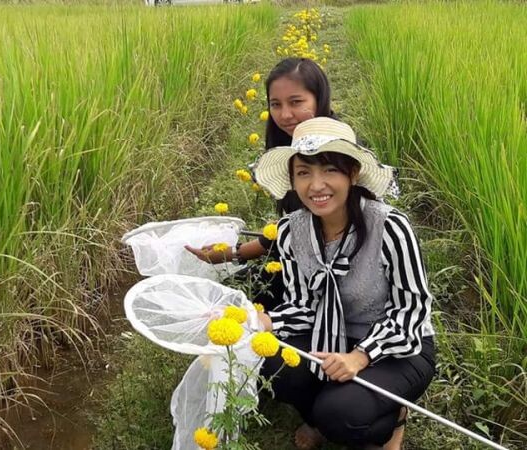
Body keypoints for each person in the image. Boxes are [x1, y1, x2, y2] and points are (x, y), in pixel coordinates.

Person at [254, 117, 436, 450]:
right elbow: (303, 305)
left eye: (329, 170)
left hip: (399, 345)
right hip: (329, 332)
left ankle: (393, 419)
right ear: (293, 179)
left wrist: (360, 356)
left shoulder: (390, 227)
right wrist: (266, 320)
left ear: (352, 173)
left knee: (341, 413)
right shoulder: (290, 232)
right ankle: (320, 417)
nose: (316, 185)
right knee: (271, 365)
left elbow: (412, 309)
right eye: (304, 173)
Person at [187, 57, 335, 310]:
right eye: (275, 104)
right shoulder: (288, 148)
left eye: (296, 102)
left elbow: (310, 229)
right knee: (224, 298)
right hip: (296, 257)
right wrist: (237, 251)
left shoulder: (338, 151)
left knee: (234, 305)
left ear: (319, 99)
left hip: (332, 273)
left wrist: (236, 253)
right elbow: (296, 224)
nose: (285, 115)